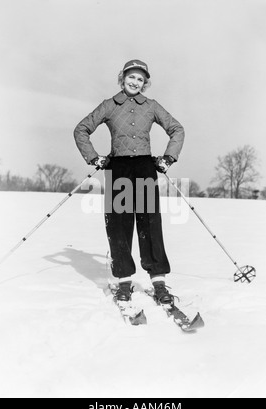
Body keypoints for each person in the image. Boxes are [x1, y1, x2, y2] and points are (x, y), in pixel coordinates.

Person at [74, 59, 185, 304]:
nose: (135, 82)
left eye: (140, 79)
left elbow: (177, 129)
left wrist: (168, 158)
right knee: (119, 226)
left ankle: (159, 284)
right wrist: (94, 158)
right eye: (131, 77)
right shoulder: (109, 105)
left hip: (145, 168)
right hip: (119, 169)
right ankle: (124, 283)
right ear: (122, 78)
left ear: (145, 83)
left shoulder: (151, 106)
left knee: (150, 225)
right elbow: (81, 129)